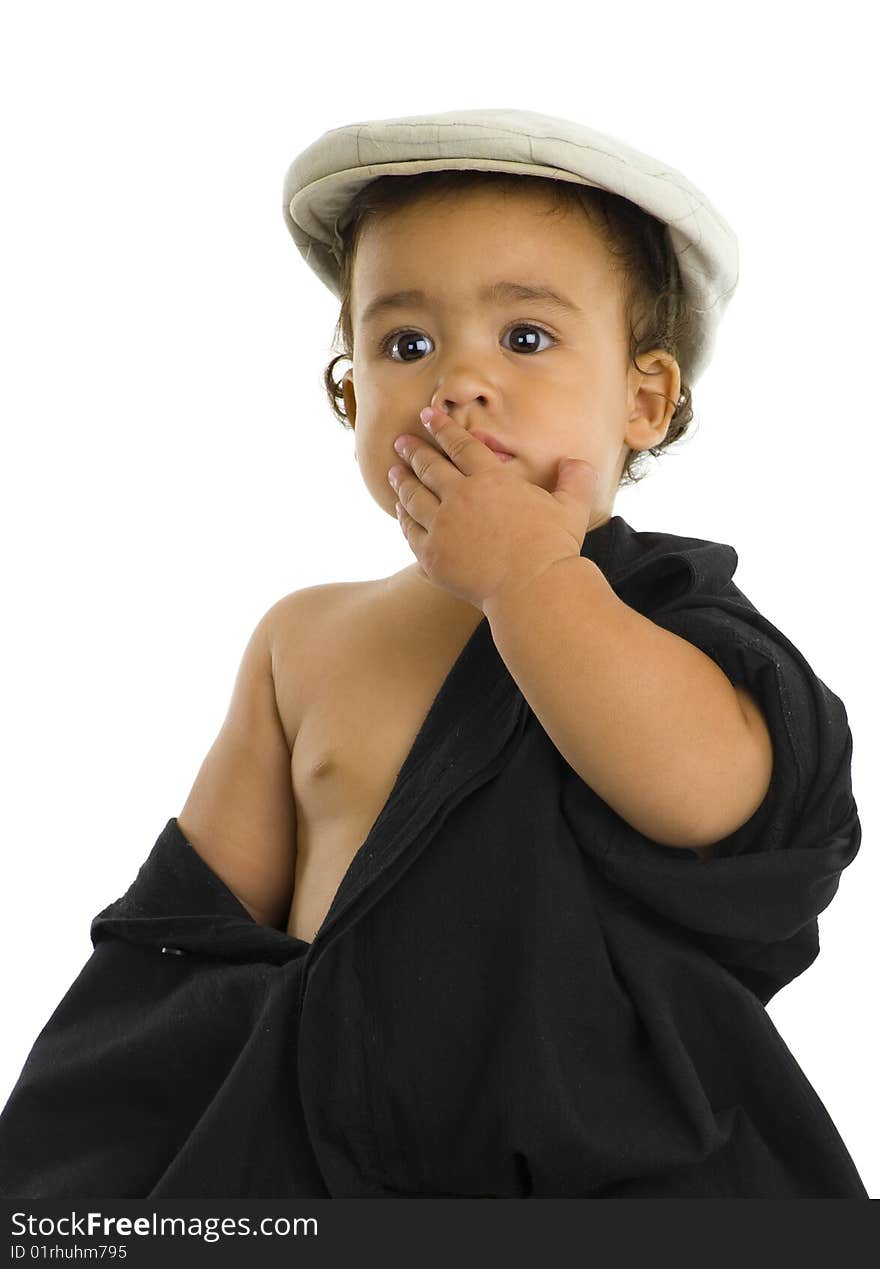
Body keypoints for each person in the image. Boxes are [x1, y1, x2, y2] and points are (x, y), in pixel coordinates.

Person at [0, 108, 867, 1199]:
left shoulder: (667, 626)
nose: (457, 382)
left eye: (525, 338)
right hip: (328, 1167)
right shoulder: (304, 639)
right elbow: (189, 940)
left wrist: (530, 581)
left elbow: (712, 802)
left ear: (645, 400)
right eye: (405, 344)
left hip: (606, 1179)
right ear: (350, 393)